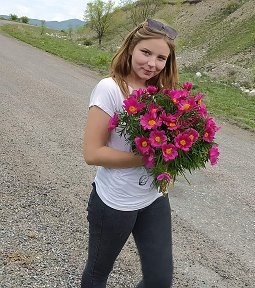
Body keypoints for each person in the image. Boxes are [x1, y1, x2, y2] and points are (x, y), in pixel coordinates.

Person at [81, 18, 179, 288]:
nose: (152, 64)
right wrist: (147, 157)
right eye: (146, 53)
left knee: (159, 280)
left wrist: (173, 160)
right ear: (131, 48)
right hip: (114, 201)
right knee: (97, 275)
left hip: (154, 198)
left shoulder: (162, 93)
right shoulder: (110, 89)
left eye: (161, 58)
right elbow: (92, 153)